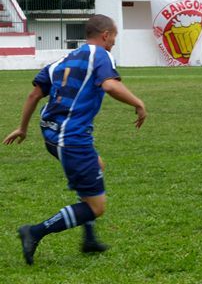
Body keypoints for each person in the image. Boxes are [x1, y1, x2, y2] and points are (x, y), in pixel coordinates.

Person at [3, 14, 147, 265]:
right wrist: (138, 103)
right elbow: (110, 86)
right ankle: (34, 232)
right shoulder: (101, 54)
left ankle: (89, 239)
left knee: (97, 165)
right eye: (113, 37)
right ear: (105, 35)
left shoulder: (63, 60)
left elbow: (34, 94)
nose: (113, 42)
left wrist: (22, 128)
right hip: (71, 138)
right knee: (96, 207)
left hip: (49, 131)